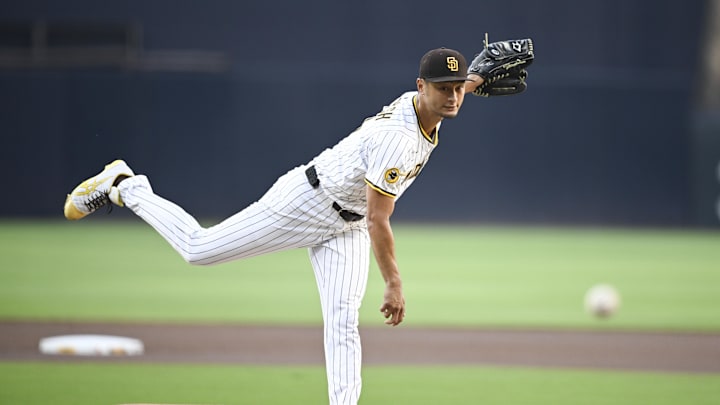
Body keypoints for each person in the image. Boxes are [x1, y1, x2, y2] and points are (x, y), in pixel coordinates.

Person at [63, 44, 530, 405]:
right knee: (198, 249)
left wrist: (475, 78)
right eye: (441, 87)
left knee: (343, 321)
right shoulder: (399, 140)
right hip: (306, 202)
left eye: (455, 87)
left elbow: (454, 88)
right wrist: (394, 282)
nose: (452, 95)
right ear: (419, 86)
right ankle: (127, 185)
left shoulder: (432, 102)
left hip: (342, 224)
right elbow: (378, 218)